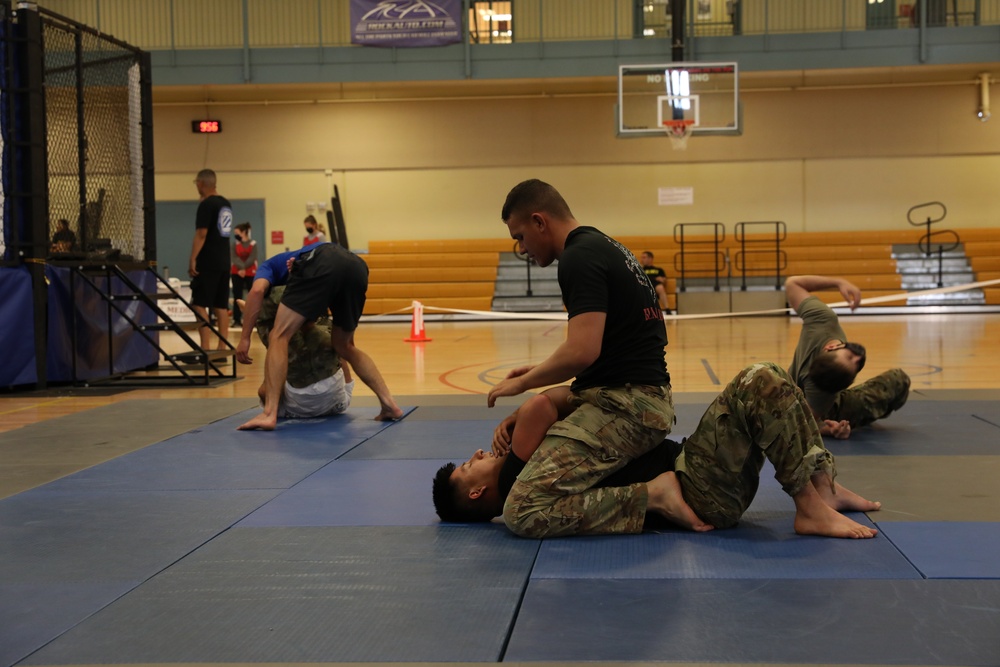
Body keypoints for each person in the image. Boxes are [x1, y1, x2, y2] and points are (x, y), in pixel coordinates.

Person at [434, 362, 879, 540]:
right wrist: (523, 409)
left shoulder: (533, 478)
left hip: (695, 472)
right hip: (697, 488)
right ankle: (810, 504)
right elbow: (540, 406)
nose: (476, 454)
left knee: (769, 378)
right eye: (469, 467)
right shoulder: (517, 479)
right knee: (759, 380)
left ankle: (824, 487)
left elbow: (558, 406)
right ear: (475, 494)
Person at [486, 179, 672, 538]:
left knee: (522, 511)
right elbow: (601, 351)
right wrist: (539, 371)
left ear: (540, 222)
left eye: (520, 236)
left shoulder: (577, 257)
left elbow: (582, 351)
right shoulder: (603, 245)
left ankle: (653, 497)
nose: (521, 249)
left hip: (629, 409)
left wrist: (523, 382)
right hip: (634, 398)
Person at [235, 242, 402, 430]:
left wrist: (245, 338)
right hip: (357, 267)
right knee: (345, 346)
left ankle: (269, 413)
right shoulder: (301, 265)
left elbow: (257, 291)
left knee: (278, 336)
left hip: (325, 260)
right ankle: (389, 404)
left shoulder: (268, 266)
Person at [786, 275, 910, 439]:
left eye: (850, 358)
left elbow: (792, 283)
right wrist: (826, 428)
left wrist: (838, 282)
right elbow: (799, 423)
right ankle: (835, 415)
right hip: (803, 408)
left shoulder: (821, 319)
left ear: (831, 347)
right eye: (853, 362)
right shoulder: (822, 394)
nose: (858, 358)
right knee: (898, 380)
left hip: (792, 396)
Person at [239, 286, 355, 419]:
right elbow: (343, 355)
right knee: (282, 340)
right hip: (321, 401)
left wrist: (273, 351)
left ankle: (301, 323)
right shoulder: (284, 410)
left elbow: (264, 392)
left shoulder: (283, 409)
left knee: (278, 341)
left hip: (312, 403)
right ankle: (300, 323)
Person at [189, 168, 232, 350]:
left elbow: (202, 233)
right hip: (224, 260)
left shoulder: (206, 205)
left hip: (208, 261)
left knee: (198, 304)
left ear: (200, 183)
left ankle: (205, 347)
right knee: (220, 305)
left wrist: (193, 258)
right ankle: (222, 347)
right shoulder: (225, 204)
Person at [230, 222, 258, 327]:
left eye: (237, 233)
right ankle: (236, 320)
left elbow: (252, 258)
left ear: (244, 232)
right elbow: (234, 257)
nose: (235, 235)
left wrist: (244, 268)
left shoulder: (253, 244)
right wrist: (241, 268)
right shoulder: (235, 244)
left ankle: (253, 320)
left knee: (252, 297)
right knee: (237, 296)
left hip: (250, 273)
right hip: (236, 272)